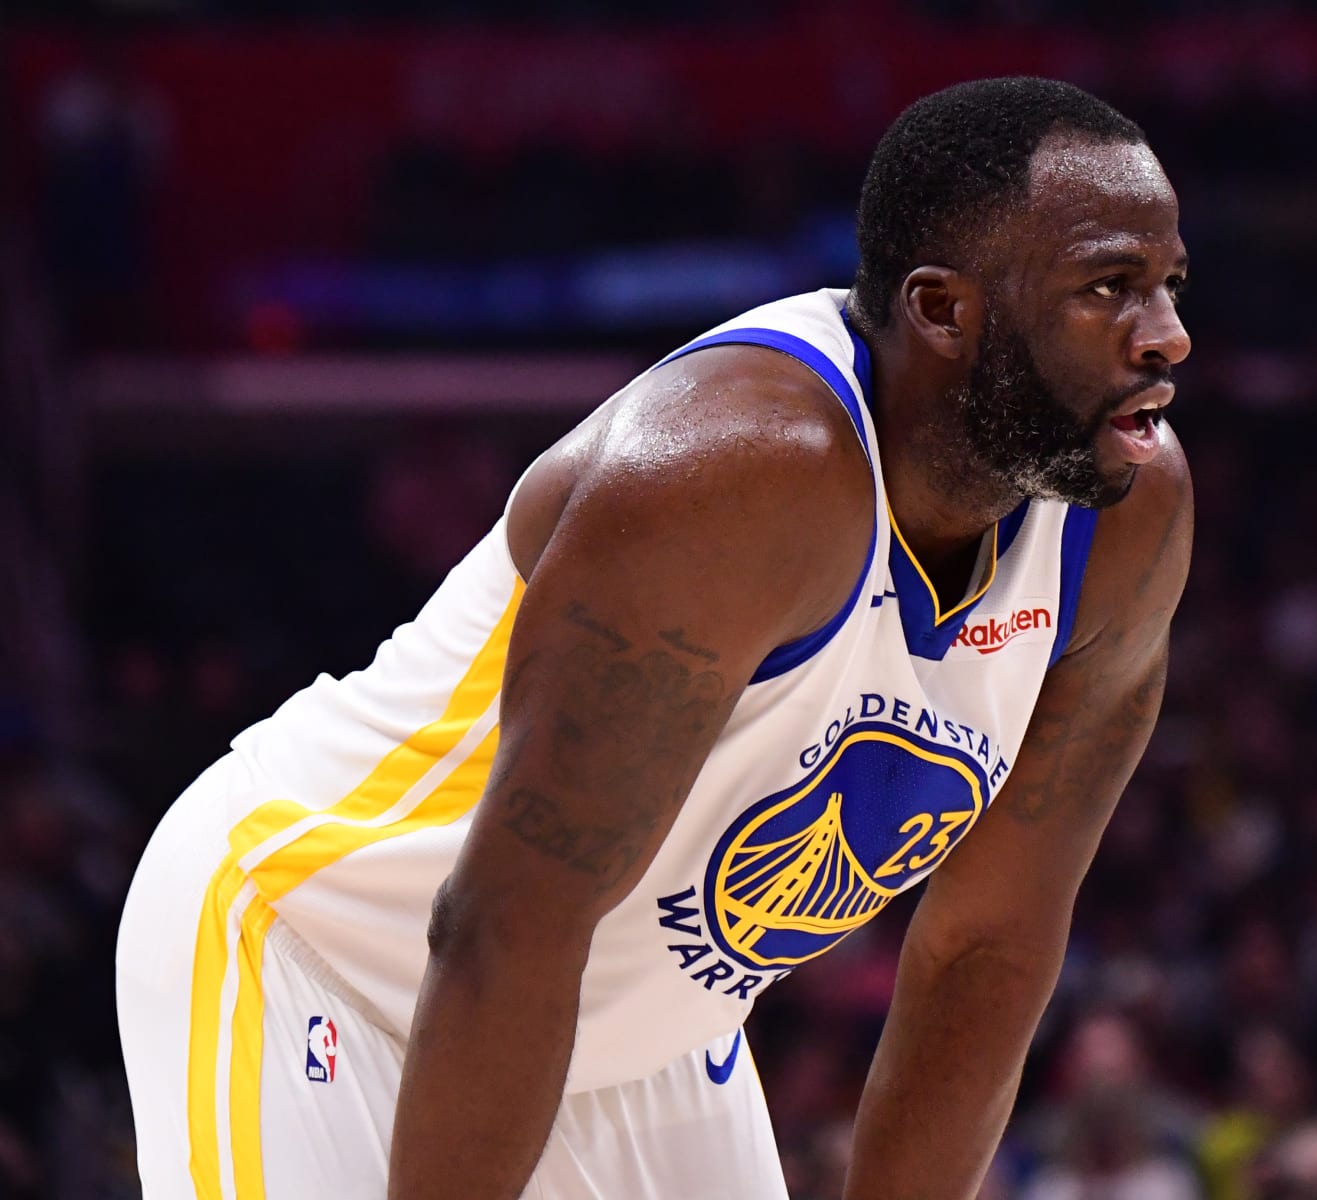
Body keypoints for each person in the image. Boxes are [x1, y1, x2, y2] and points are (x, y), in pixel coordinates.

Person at [114, 75, 1193, 1200]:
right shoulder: (740, 472)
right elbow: (505, 924)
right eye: (1108, 288)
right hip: (328, 946)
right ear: (943, 312)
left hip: (639, 1037)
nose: (1167, 336)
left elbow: (987, 954)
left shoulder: (1128, 524)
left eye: (1168, 284)